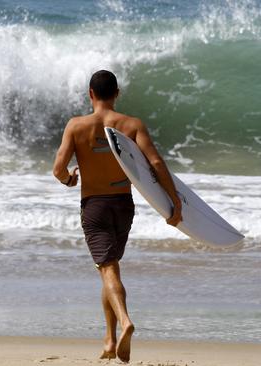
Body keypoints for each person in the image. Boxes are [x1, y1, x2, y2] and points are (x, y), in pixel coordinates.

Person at [52, 70, 182, 362]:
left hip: (94, 206)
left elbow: (58, 169)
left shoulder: (76, 126)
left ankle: (125, 322)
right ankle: (110, 341)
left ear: (90, 94)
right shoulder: (132, 124)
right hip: (123, 205)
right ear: (117, 93)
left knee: (108, 269)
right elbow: (156, 164)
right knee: (108, 267)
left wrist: (70, 181)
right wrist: (175, 204)